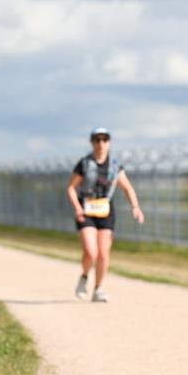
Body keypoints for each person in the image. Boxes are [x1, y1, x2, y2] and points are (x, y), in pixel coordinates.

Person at [66, 127, 144, 302]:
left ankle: (98, 288)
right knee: (91, 251)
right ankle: (84, 276)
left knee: (103, 253)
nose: (101, 143)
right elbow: (71, 188)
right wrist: (77, 207)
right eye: (97, 140)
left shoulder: (115, 166)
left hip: (106, 211)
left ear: (109, 142)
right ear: (92, 142)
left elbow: (127, 187)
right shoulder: (84, 164)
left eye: (104, 139)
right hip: (86, 211)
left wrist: (135, 206)